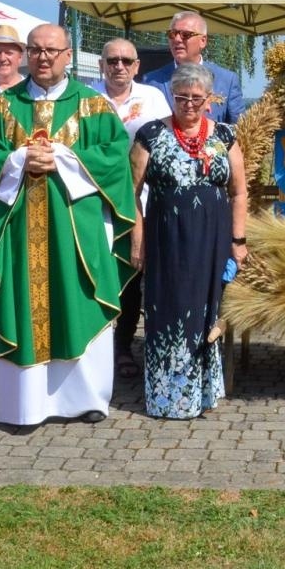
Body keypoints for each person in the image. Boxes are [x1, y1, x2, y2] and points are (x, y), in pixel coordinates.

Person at [0, 23, 136, 425]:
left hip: (76, 229)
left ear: (68, 56)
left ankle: (85, 399)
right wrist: (18, 160)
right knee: (23, 302)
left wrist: (61, 157)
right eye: (36, 50)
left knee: (78, 298)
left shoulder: (94, 106)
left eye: (52, 50)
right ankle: (26, 405)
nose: (44, 57)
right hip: (20, 227)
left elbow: (114, 159)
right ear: (27, 54)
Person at [129, 63, 248, 418]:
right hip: (167, 236)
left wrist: (238, 241)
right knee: (168, 308)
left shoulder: (225, 135)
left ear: (209, 99)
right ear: (172, 97)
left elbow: (239, 192)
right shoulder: (150, 134)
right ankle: (168, 396)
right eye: (182, 97)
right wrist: (138, 241)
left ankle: (203, 392)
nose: (189, 104)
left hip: (212, 238)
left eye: (197, 97)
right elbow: (131, 193)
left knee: (207, 311)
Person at [91, 37, 172, 380]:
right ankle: (92, 345)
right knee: (93, 270)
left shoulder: (152, 97)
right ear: (101, 65)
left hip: (139, 199)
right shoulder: (87, 97)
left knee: (131, 271)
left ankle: (123, 346)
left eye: (126, 60)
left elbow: (166, 141)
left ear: (137, 66)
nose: (119, 66)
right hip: (92, 199)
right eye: (112, 60)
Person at [139, 11, 244, 123]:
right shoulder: (152, 81)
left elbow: (239, 129)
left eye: (185, 35)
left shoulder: (227, 81)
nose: (177, 39)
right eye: (172, 34)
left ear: (203, 41)